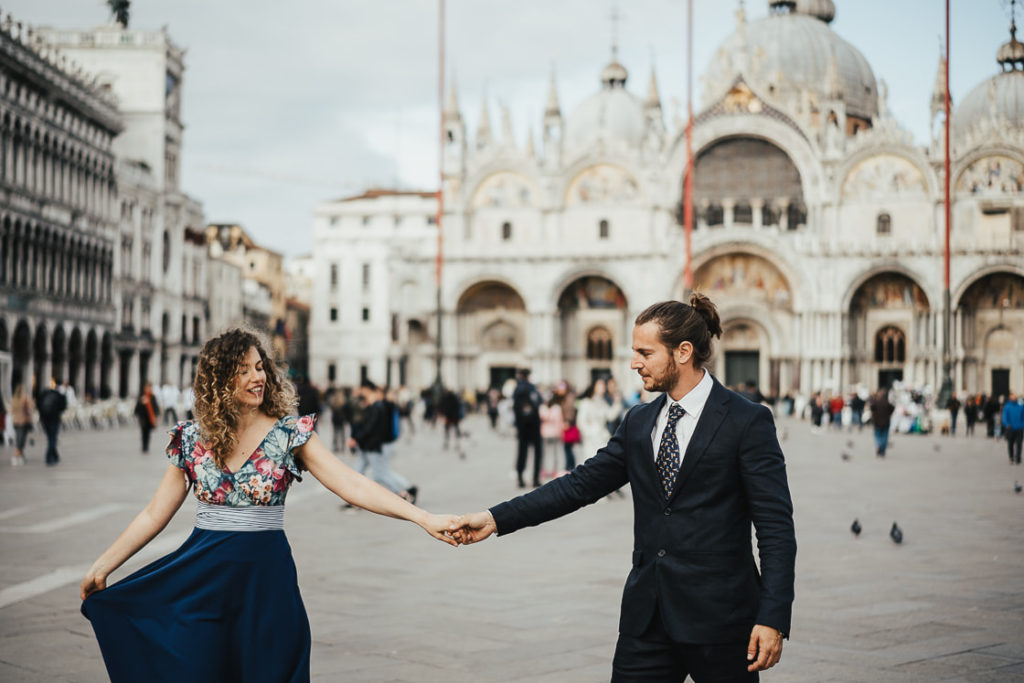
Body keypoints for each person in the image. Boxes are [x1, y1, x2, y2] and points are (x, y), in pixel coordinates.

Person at [80, 329, 457, 682]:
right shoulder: (192, 438)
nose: (256, 377)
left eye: (260, 368)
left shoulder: (289, 433)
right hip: (202, 581)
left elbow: (351, 483)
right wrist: (103, 564)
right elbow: (153, 514)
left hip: (267, 583)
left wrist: (422, 518)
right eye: (243, 370)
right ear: (220, 379)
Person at [452, 295, 796, 681]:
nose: (634, 363)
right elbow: (579, 486)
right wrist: (496, 519)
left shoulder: (747, 421)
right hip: (646, 619)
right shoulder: (639, 421)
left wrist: (773, 617)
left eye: (645, 353)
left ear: (682, 352)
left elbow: (775, 527)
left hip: (722, 619)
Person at [348, 381, 417, 502]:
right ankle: (352, 498)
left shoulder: (379, 407)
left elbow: (371, 427)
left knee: (380, 474)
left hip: (374, 445)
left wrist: (357, 438)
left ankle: (404, 493)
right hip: (370, 445)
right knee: (362, 472)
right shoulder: (377, 406)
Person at [512, 369, 543, 488]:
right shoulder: (532, 388)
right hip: (534, 424)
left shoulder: (517, 389)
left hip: (522, 426)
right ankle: (535, 478)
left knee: (522, 452)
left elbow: (515, 407)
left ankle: (520, 477)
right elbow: (539, 401)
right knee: (537, 452)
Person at [37, 377, 67, 466]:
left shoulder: (44, 394)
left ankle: (55, 455)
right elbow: (63, 406)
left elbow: (38, 404)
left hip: (45, 419)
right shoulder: (58, 394)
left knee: (50, 437)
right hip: (54, 418)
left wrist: (41, 414)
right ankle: (49, 457)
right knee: (52, 438)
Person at [133, 382, 160, 454]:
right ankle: (143, 446)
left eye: (149, 388)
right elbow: (137, 407)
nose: (148, 389)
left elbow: (155, 406)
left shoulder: (153, 397)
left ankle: (147, 446)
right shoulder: (142, 396)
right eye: (147, 388)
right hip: (143, 418)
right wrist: (141, 403)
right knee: (143, 432)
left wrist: (157, 414)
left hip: (150, 418)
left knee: (148, 433)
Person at [10, 384, 33, 466]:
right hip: (23, 422)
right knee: (21, 439)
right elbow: (30, 409)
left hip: (16, 421)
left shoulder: (14, 400)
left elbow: (11, 410)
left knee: (19, 438)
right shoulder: (25, 400)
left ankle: (21, 455)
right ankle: (16, 455)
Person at [869, 388, 895, 457]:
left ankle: (879, 445)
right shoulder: (887, 403)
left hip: (877, 422)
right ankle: (882, 451)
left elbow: (871, 408)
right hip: (886, 422)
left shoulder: (876, 402)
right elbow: (892, 408)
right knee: (885, 437)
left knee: (877, 436)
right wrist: (889, 414)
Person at [1002, 392, 1024, 465]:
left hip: (1019, 428)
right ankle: (1011, 457)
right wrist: (1006, 424)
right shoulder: (1007, 406)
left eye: (1015, 396)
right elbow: (1005, 416)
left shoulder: (1021, 405)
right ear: (1010, 397)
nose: (1014, 397)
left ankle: (1018, 457)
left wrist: (1022, 424)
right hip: (1010, 428)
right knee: (1010, 443)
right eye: (1012, 396)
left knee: (1019, 444)